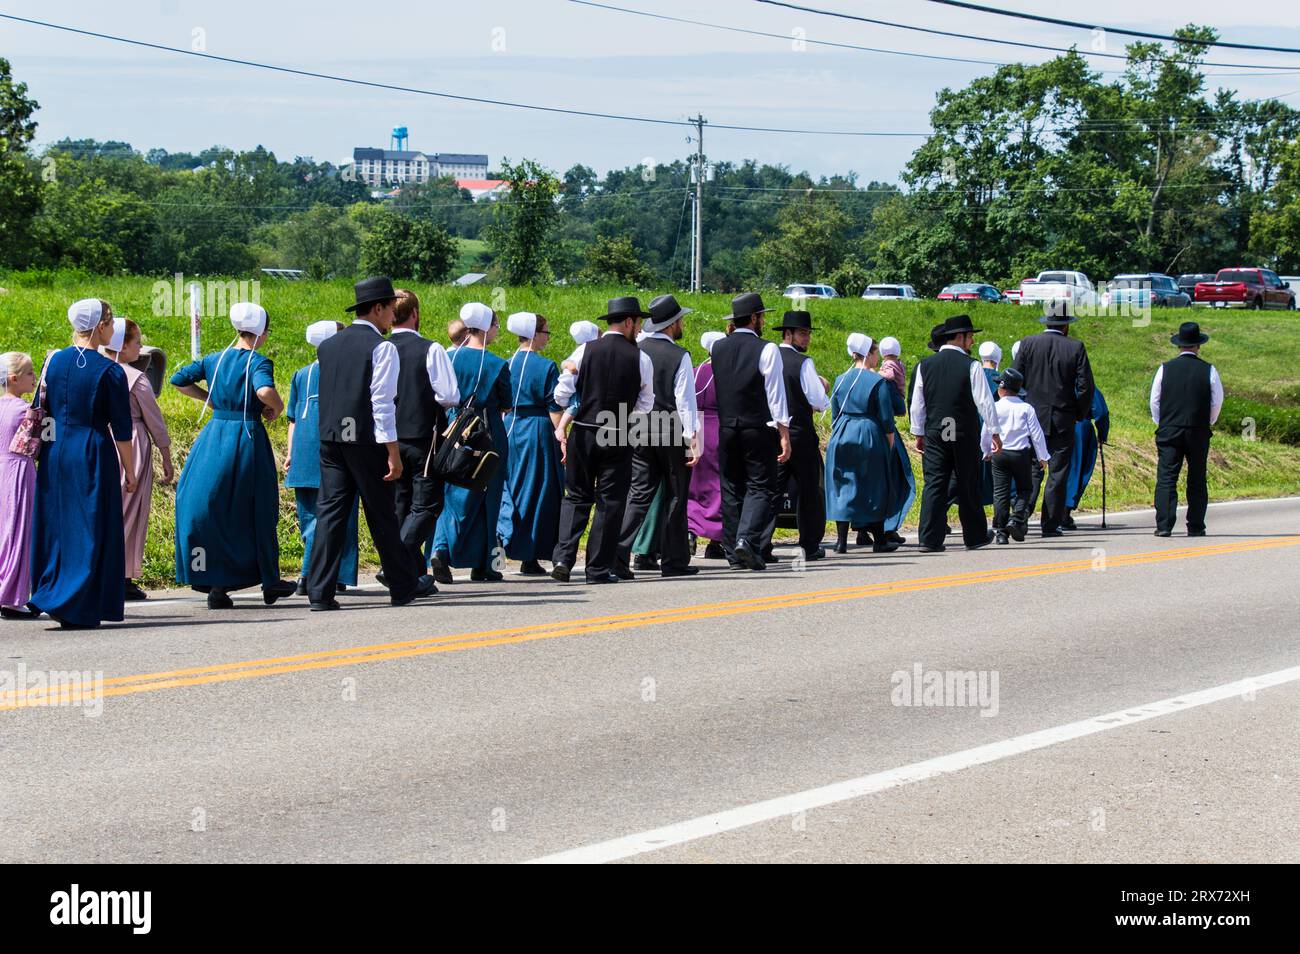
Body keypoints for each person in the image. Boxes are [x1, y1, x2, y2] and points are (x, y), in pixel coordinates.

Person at [306, 276, 438, 610]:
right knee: (382, 516)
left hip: (331, 438)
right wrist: (392, 451)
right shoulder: (382, 347)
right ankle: (402, 586)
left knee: (331, 514)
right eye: (391, 308)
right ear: (377, 308)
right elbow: (382, 403)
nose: (393, 315)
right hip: (365, 439)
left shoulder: (329, 345)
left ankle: (320, 591)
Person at [172, 303, 297, 610]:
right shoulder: (258, 361)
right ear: (260, 333)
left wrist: (210, 399)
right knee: (258, 508)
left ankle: (217, 584)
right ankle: (269, 580)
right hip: (246, 436)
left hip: (214, 437)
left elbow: (178, 379)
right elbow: (264, 391)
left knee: (216, 511)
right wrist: (277, 408)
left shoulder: (216, 358)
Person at [30, 300, 136, 628]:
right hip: (91, 448)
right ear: (100, 326)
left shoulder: (53, 361)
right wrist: (130, 471)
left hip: (55, 448)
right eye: (110, 322)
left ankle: (51, 592)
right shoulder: (109, 370)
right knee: (91, 525)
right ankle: (81, 601)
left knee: (57, 523)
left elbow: (39, 406)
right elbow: (121, 429)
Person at [551, 297, 654, 583]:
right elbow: (646, 404)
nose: (640, 327)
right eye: (639, 322)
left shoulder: (586, 349)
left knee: (576, 497)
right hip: (618, 432)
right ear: (629, 322)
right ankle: (596, 568)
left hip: (584, 430)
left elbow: (561, 394)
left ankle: (563, 558)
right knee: (609, 502)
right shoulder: (640, 358)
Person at [615, 294, 702, 578]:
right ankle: (674, 561)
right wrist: (692, 438)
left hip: (639, 426)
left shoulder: (637, 350)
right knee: (676, 494)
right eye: (681, 320)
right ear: (672, 324)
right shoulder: (680, 355)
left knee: (639, 493)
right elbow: (685, 401)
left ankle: (619, 552)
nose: (683, 324)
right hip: (671, 428)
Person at [710, 293, 792, 571]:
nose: (764, 321)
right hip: (757, 426)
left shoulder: (718, 348)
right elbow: (775, 394)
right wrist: (784, 432)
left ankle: (734, 553)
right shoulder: (766, 349)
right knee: (761, 486)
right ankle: (747, 540)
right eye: (762, 316)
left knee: (731, 489)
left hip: (726, 427)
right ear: (754, 318)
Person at [431, 302, 512, 583]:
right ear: (487, 326)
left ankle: (440, 550)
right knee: (489, 499)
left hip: (453, 429)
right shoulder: (498, 364)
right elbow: (506, 403)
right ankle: (486, 565)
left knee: (452, 494)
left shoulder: (449, 357)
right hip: (487, 433)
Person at [911, 315, 1001, 551]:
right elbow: (985, 402)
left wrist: (917, 431)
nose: (971, 342)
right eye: (970, 337)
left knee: (935, 483)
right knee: (966, 481)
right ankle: (975, 535)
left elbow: (917, 403)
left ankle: (929, 538)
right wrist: (994, 432)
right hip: (961, 430)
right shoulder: (971, 366)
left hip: (936, 430)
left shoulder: (924, 365)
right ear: (959, 338)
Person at [284, 320, 361, 595]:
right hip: (332, 449)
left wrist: (291, 452)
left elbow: (292, 419)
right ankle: (317, 574)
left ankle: (315, 572)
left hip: (303, 450)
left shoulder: (300, 374)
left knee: (310, 519)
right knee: (339, 514)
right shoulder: (342, 371)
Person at [101, 318, 174, 600]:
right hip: (133, 440)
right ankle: (123, 574)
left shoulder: (99, 370)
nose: (141, 347)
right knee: (132, 509)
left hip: (102, 439)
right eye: (137, 342)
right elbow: (155, 421)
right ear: (123, 345)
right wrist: (166, 455)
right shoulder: (135, 378)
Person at [389, 289, 459, 581]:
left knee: (401, 504)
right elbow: (449, 395)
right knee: (429, 504)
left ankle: (414, 576)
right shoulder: (431, 349)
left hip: (390, 437)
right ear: (415, 314)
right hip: (423, 436)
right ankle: (396, 559)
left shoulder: (380, 348)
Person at [1012, 302, 1095, 537]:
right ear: (1066, 326)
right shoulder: (1075, 347)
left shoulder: (1028, 344)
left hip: (1032, 415)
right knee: (1058, 472)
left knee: (1032, 470)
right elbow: (1085, 386)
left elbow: (1014, 379)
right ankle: (1050, 523)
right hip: (1062, 416)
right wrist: (1078, 412)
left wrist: (1023, 404)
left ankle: (1021, 515)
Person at [497, 311, 564, 575]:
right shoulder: (546, 366)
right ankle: (530, 553)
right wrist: (562, 434)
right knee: (538, 491)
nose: (547, 337)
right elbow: (553, 405)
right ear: (535, 334)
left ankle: (506, 542)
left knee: (511, 486)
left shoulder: (506, 363)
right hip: (537, 430)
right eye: (546, 332)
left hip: (509, 426)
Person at [825, 334, 906, 554]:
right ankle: (879, 539)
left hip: (842, 432)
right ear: (868, 354)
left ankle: (841, 541)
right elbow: (887, 419)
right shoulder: (877, 381)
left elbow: (834, 414)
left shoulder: (841, 379)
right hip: (869, 432)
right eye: (874, 353)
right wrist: (889, 445)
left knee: (843, 485)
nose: (877, 358)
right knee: (874, 484)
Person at [1150, 321, 1222, 537]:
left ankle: (1164, 525)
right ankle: (1196, 525)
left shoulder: (1165, 368)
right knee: (1197, 477)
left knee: (1166, 476)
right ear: (1198, 346)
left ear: (1179, 346)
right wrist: (1207, 421)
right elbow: (1216, 402)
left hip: (1169, 428)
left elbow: (1155, 400)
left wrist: (1161, 422)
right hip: (1197, 430)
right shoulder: (1209, 370)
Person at [770, 310, 829, 561]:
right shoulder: (804, 363)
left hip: (773, 433)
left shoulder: (768, 357)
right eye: (803, 333)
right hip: (800, 434)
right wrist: (822, 395)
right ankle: (809, 543)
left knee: (772, 490)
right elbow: (818, 399)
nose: (807, 339)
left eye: (808, 334)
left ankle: (761, 542)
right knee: (809, 490)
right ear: (788, 334)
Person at [980, 368, 1049, 545]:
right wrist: (1043, 456)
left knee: (1000, 493)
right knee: (1025, 489)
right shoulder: (1026, 408)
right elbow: (1036, 434)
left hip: (999, 453)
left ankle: (1001, 532)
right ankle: (1016, 517)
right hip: (1020, 454)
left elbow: (986, 431)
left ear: (1002, 388)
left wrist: (986, 450)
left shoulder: (994, 407)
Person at [0, 352, 39, 619]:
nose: (34, 378)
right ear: (14, 379)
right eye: (29, 373)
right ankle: (11, 596)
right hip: (18, 469)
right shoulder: (25, 411)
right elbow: (34, 447)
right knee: (18, 531)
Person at [687, 330, 726, 559]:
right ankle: (715, 540)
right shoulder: (724, 375)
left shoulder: (694, 372)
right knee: (717, 485)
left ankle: (691, 530)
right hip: (717, 429)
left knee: (695, 484)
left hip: (695, 429)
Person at [875, 336, 913, 546]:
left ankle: (863, 528)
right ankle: (887, 528)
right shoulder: (892, 371)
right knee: (894, 479)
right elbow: (898, 408)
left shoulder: (848, 378)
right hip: (884, 433)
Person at [1064, 384, 1109, 525]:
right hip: (1079, 428)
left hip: (1056, 426)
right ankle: (1064, 511)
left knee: (1059, 471)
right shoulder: (1085, 386)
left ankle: (1053, 511)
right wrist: (1102, 434)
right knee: (1077, 470)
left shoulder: (1057, 380)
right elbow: (1101, 412)